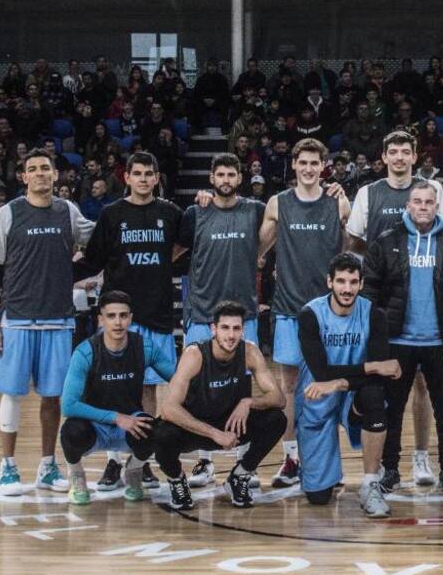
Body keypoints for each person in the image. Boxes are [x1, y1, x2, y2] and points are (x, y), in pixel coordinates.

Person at [0, 149, 95, 495]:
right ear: (24, 177)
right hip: (16, 318)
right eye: (33, 169)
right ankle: (8, 467)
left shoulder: (68, 211)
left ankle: (47, 467)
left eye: (46, 168)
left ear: (56, 175)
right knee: (13, 394)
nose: (41, 174)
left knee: (52, 397)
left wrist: (78, 272)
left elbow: (100, 241)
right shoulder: (7, 213)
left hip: (58, 318)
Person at [363, 180, 443, 493]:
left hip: (439, 341)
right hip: (397, 341)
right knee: (392, 409)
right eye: (416, 201)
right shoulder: (387, 241)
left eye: (428, 202)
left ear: (436, 205)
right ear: (408, 206)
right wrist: (373, 336)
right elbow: (370, 290)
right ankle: (390, 470)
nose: (422, 207)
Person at [346, 129, 443, 486]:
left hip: (425, 306)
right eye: (394, 151)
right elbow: (354, 242)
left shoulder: (432, 191)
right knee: (391, 387)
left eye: (406, 151)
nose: (400, 156)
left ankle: (421, 458)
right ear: (384, 155)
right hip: (386, 309)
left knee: (423, 386)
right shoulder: (367, 193)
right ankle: (389, 464)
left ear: (415, 155)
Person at [74, 152, 182, 492]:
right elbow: (92, 260)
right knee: (113, 386)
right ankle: (112, 461)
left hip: (159, 312)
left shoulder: (171, 213)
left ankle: (141, 460)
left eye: (149, 174)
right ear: (127, 178)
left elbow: (183, 247)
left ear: (156, 177)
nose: (144, 179)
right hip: (121, 314)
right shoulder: (112, 215)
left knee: (149, 391)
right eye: (137, 173)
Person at [260, 138, 350, 488]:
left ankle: (326, 461)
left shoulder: (338, 203)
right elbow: (257, 251)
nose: (309, 169)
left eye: (315, 163)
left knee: (329, 387)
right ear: (294, 166)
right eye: (303, 163)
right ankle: (291, 458)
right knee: (290, 388)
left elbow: (351, 248)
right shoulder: (278, 204)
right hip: (288, 309)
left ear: (322, 167)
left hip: (330, 312)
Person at [175, 152, 266, 487]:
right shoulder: (195, 212)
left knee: (242, 387)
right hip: (201, 312)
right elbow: (174, 251)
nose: (226, 180)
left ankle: (243, 461)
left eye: (231, 174)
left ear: (239, 178)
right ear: (211, 179)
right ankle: (205, 461)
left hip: (243, 315)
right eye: (220, 175)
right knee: (198, 392)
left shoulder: (255, 210)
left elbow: (272, 234)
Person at [148, 301, 288, 509]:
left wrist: (249, 402)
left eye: (236, 328)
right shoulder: (195, 355)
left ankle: (239, 477)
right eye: (225, 328)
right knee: (160, 435)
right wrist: (214, 434)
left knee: (276, 419)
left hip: (231, 424)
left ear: (243, 330)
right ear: (213, 329)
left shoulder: (249, 351)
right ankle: (178, 481)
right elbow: (169, 409)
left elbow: (279, 399)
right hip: (196, 427)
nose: (230, 335)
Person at [295, 253, 402, 517]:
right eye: (341, 281)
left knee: (375, 396)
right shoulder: (310, 314)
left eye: (353, 282)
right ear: (329, 282)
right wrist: (372, 366)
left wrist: (340, 382)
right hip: (316, 396)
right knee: (318, 498)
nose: (347, 289)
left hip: (353, 394)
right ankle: (313, 469)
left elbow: (380, 377)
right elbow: (321, 371)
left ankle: (370, 484)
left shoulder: (373, 314)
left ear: (361, 283)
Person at [59, 291, 177, 504]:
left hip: (130, 425)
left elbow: (178, 379)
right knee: (70, 431)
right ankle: (76, 477)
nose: (118, 322)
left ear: (131, 318)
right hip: (94, 426)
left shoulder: (144, 346)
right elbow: (67, 406)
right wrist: (116, 417)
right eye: (111, 316)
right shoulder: (85, 352)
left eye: (123, 315)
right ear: (101, 320)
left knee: (156, 429)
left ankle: (133, 471)